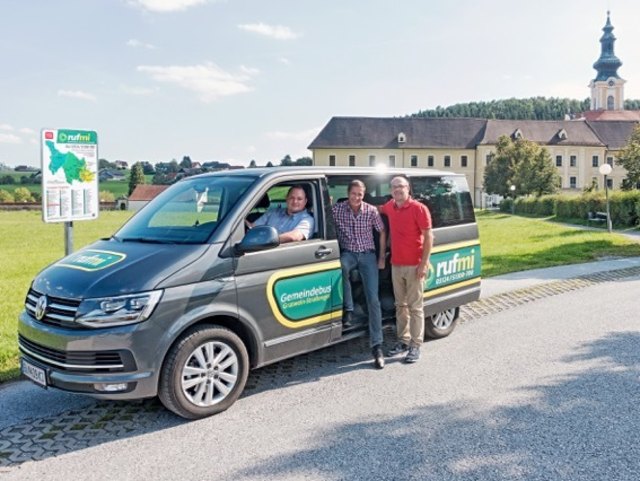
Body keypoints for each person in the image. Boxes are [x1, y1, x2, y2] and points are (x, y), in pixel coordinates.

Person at [332, 180, 387, 369]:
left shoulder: (371, 210)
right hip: (348, 254)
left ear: (364, 195)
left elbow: (382, 232)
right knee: (341, 268)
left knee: (373, 300)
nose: (356, 197)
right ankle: (348, 309)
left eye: (360, 194)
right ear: (348, 193)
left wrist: (381, 257)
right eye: (354, 193)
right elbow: (322, 215)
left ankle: (377, 345)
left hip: (368, 256)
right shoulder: (338, 210)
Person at [381, 176, 433, 364]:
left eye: (400, 186)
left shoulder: (419, 209)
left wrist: (423, 264)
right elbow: (375, 209)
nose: (397, 190)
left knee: (415, 307)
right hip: (396, 264)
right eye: (394, 187)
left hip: (414, 266)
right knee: (400, 306)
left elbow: (429, 237)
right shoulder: (390, 207)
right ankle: (403, 341)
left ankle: (415, 345)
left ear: (408, 188)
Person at [247, 185, 315, 243]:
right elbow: (253, 228)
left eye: (299, 199)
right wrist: (241, 221)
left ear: (305, 201)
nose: (295, 201)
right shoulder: (273, 212)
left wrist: (265, 240)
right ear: (286, 198)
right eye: (292, 198)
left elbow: (294, 236)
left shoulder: (308, 220)